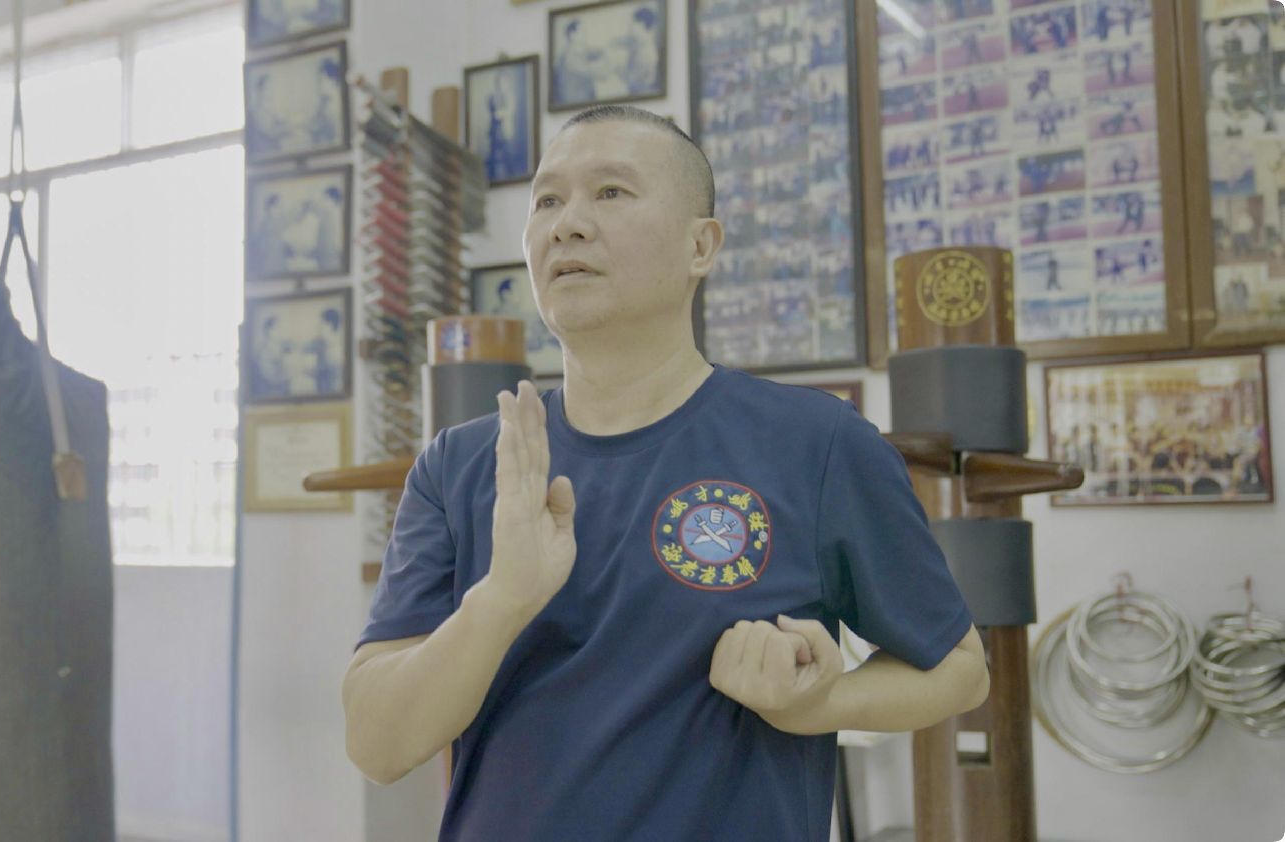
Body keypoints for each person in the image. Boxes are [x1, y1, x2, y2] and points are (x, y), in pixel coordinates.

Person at [342, 106, 988, 841]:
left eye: (610, 192)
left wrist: (818, 704)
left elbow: (959, 669)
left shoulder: (816, 444)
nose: (567, 225)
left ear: (700, 245)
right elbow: (376, 745)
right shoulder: (459, 464)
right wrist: (501, 601)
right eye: (547, 201)